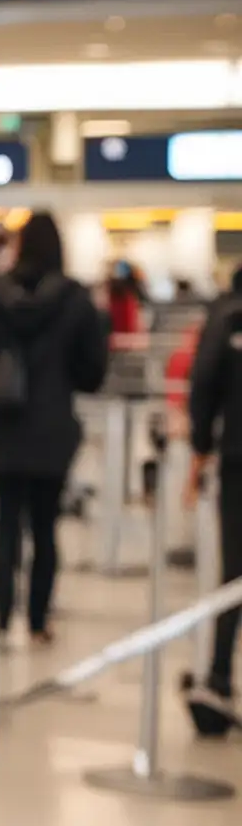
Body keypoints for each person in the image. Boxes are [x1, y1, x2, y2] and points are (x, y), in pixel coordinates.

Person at [0, 213, 108, 644]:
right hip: (54, 426)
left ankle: (0, 620)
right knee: (45, 527)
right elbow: (92, 372)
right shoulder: (76, 301)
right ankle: (39, 621)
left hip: (8, 425)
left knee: (6, 527)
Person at [186, 265, 242, 733]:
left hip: (238, 458)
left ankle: (220, 678)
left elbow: (203, 385)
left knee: (234, 574)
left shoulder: (226, 316)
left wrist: (200, 449)